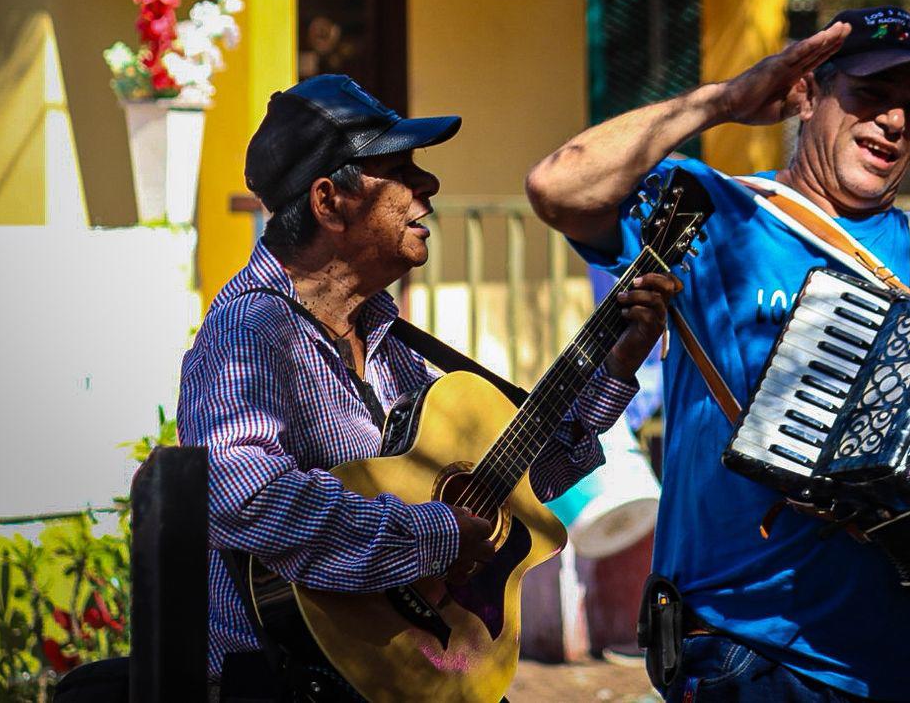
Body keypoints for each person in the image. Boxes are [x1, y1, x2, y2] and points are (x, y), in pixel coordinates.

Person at [526, 8, 910, 702]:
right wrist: (725, 101)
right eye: (870, 94)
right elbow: (558, 188)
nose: (894, 121)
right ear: (808, 96)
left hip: (909, 662)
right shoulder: (712, 210)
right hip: (747, 647)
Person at [177, 74, 680, 693]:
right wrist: (435, 536)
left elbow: (522, 483)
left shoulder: (385, 335)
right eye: (400, 171)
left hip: (394, 676)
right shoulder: (250, 329)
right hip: (286, 680)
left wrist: (614, 367)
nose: (429, 186)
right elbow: (241, 496)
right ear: (329, 201)